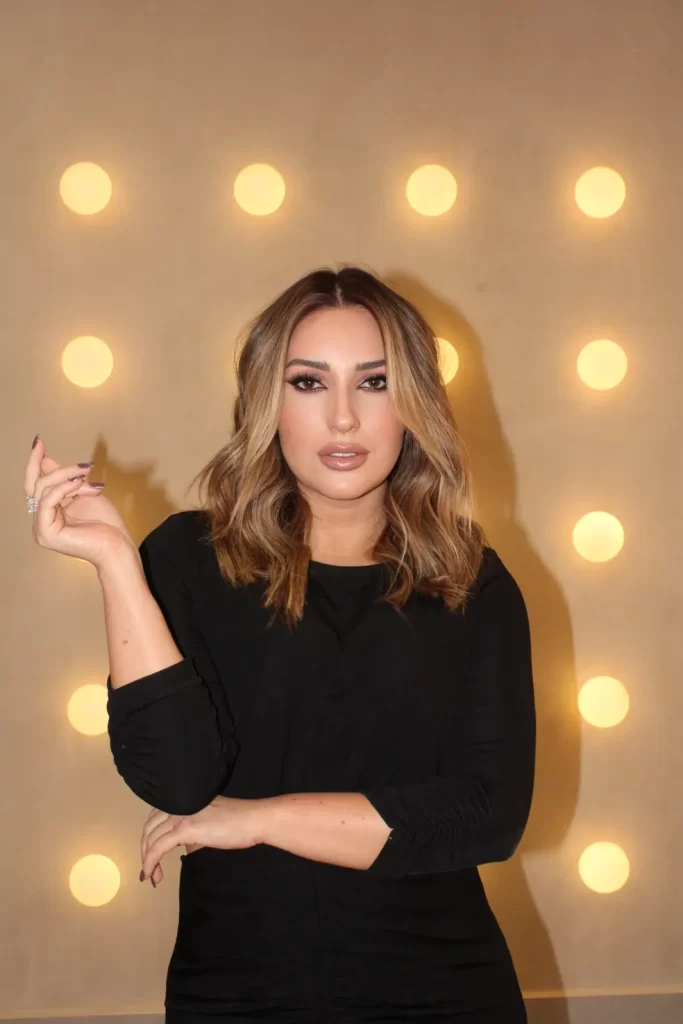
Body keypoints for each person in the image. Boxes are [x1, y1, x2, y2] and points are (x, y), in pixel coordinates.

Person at [24, 264, 536, 1023]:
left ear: (414, 404)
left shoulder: (469, 582)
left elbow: (488, 814)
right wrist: (116, 564)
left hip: (441, 989)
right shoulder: (188, 560)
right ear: (268, 402)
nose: (342, 418)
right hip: (237, 989)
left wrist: (259, 818)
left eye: (374, 382)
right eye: (308, 382)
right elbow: (177, 781)